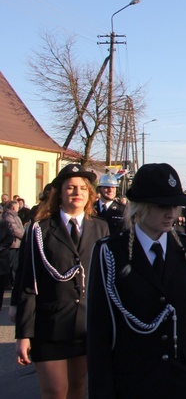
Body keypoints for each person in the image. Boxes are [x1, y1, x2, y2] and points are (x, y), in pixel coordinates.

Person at [86, 163, 186, 398]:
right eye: (162, 206)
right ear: (140, 207)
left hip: (182, 379)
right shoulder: (110, 252)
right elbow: (99, 330)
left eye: (175, 206)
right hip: (133, 380)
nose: (172, 214)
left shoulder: (184, 248)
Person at [12, 164, 109, 399]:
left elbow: (108, 280)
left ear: (89, 194)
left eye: (83, 188)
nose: (77, 193)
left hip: (87, 325)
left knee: (79, 388)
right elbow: (27, 282)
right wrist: (23, 334)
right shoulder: (39, 230)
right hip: (49, 326)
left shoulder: (101, 227)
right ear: (60, 192)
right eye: (71, 188)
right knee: (56, 392)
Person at [1, 200, 24, 292]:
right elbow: (15, 230)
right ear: (14, 207)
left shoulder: (15, 216)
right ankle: (9, 283)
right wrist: (25, 236)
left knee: (15, 265)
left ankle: (13, 282)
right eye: (17, 206)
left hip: (17, 244)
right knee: (11, 266)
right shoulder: (8, 217)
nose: (18, 208)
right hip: (12, 245)